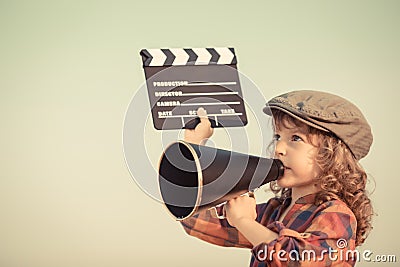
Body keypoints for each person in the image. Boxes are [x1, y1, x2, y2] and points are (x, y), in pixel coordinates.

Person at [181, 90, 374, 266]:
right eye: (277, 137)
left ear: (331, 155)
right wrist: (194, 149)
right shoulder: (274, 211)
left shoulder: (336, 215)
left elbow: (297, 260)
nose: (278, 149)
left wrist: (244, 221)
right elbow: (197, 221)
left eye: (296, 139)